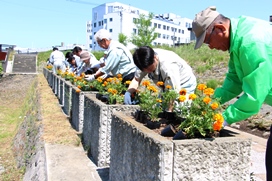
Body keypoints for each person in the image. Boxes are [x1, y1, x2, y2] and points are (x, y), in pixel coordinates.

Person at [192, 6, 272, 180]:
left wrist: (223, 119)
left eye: (208, 41)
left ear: (220, 28)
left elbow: (254, 96)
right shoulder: (238, 40)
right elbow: (234, 82)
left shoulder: (251, 41)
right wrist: (208, 102)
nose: (211, 48)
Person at [124, 46, 197, 106]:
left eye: (150, 69)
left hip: (184, 83)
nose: (148, 72)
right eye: (145, 70)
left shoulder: (168, 67)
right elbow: (136, 79)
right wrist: (128, 92)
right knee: (158, 108)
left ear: (155, 58)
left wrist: (169, 113)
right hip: (167, 85)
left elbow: (173, 93)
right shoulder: (142, 59)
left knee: (179, 109)